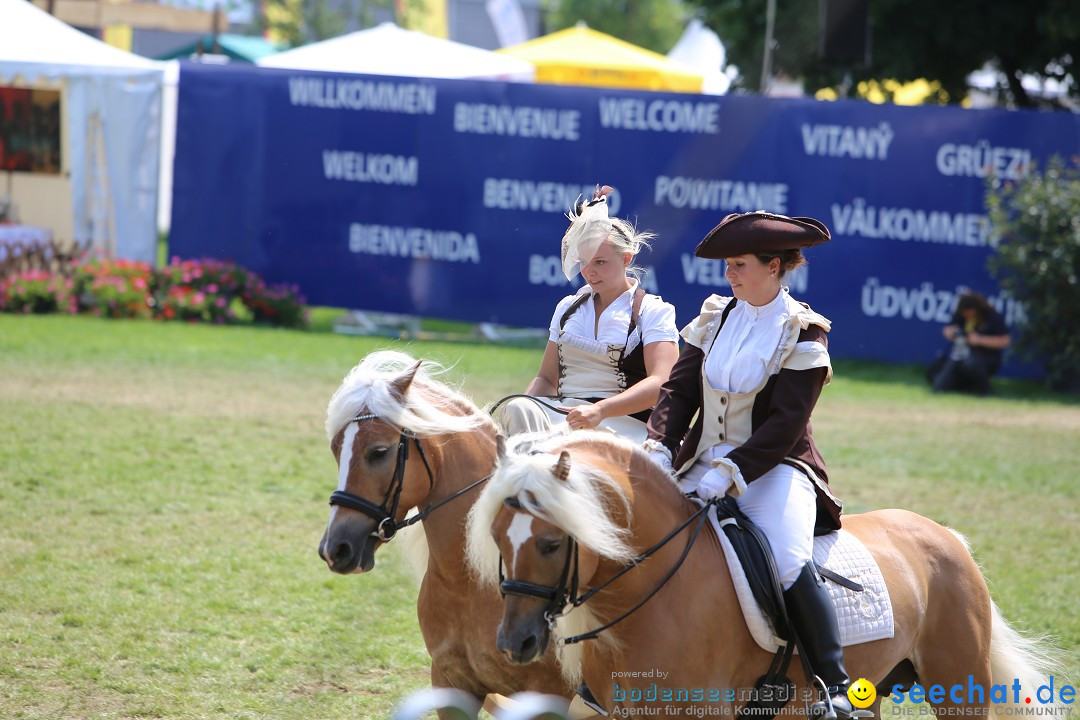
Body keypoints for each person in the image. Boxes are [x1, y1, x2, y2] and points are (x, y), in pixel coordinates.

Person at [642, 211, 853, 719]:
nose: (729, 275)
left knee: (785, 559)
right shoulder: (715, 316)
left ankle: (833, 685)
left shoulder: (805, 333)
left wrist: (731, 472)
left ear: (774, 266)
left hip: (774, 469)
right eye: (728, 265)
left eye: (739, 264)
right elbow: (679, 390)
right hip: (699, 461)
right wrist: (656, 446)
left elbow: (784, 425)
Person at [497, 185, 679, 445]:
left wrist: (600, 411)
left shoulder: (653, 310)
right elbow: (546, 379)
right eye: (583, 262)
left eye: (600, 262)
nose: (589, 271)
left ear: (626, 258)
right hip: (563, 417)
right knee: (516, 408)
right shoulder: (568, 307)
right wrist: (521, 408)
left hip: (623, 426)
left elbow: (661, 382)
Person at [926, 291, 1011, 395]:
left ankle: (985, 391)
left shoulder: (992, 316)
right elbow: (948, 329)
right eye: (963, 312)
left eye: (967, 311)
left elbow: (1005, 341)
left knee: (970, 364)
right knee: (934, 371)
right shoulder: (961, 315)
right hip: (959, 354)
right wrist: (951, 332)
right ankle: (957, 388)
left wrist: (979, 340)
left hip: (984, 357)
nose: (965, 315)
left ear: (975, 308)